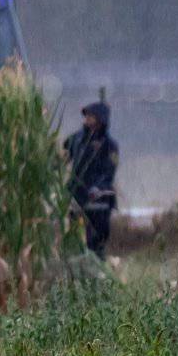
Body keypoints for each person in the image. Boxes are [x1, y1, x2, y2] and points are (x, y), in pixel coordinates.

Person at [64, 101, 118, 258]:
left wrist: (98, 188)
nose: (87, 119)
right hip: (76, 194)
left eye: (91, 116)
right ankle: (76, 267)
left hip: (99, 197)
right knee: (74, 236)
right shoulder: (76, 139)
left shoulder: (109, 145)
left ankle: (98, 268)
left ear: (101, 119)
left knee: (96, 239)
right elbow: (62, 156)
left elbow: (109, 171)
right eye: (86, 116)